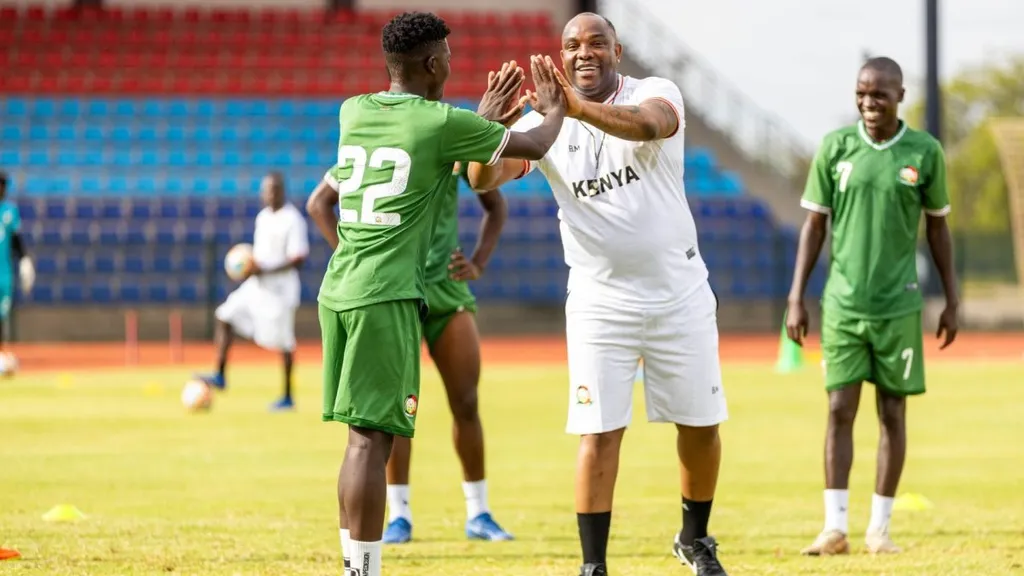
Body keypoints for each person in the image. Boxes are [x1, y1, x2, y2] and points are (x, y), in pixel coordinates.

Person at [304, 11, 567, 576]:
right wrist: (554, 107)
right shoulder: (441, 123)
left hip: (342, 287)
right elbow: (538, 145)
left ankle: (362, 561)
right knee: (372, 444)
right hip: (389, 293)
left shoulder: (355, 110)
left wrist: (477, 123)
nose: (452, 61)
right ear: (431, 63)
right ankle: (364, 568)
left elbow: (439, 154)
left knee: (362, 439)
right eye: (446, 54)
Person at [467, 12, 729, 576]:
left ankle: (694, 538)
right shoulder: (545, 123)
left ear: (617, 49)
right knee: (599, 432)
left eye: (596, 43)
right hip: (599, 299)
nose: (584, 52)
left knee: (701, 425)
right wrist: (485, 130)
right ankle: (594, 565)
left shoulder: (655, 91)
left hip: (678, 291)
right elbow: (482, 180)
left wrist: (572, 109)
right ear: (560, 57)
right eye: (572, 45)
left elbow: (649, 126)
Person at [786, 57, 959, 556]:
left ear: (900, 95)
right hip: (842, 305)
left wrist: (951, 298)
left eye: (879, 94)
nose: (868, 102)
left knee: (892, 414)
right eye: (861, 93)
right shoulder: (836, 148)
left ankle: (879, 529)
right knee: (839, 408)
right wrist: (797, 297)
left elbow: (939, 228)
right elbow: (814, 226)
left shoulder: (923, 152)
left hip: (898, 307)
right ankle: (833, 527)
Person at [382, 164, 513, 544]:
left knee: (467, 403)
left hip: (447, 291)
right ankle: (399, 516)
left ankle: (479, 513)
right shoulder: (383, 138)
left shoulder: (448, 139)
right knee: (398, 410)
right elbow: (321, 203)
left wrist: (478, 262)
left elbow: (495, 204)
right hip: (398, 292)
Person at [198, 172, 309, 411]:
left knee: (284, 343)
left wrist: (263, 268)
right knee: (224, 314)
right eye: (265, 190)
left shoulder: (292, 220)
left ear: (281, 191)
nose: (268, 194)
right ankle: (220, 374)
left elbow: (298, 258)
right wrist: (248, 263)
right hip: (256, 287)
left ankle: (288, 396)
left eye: (272, 189)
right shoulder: (263, 217)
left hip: (280, 291)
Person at [0, 171, 34, 373]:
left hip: (4, 273)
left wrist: (24, 261)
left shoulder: (9, 211)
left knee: (1, 316)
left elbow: (16, 241)